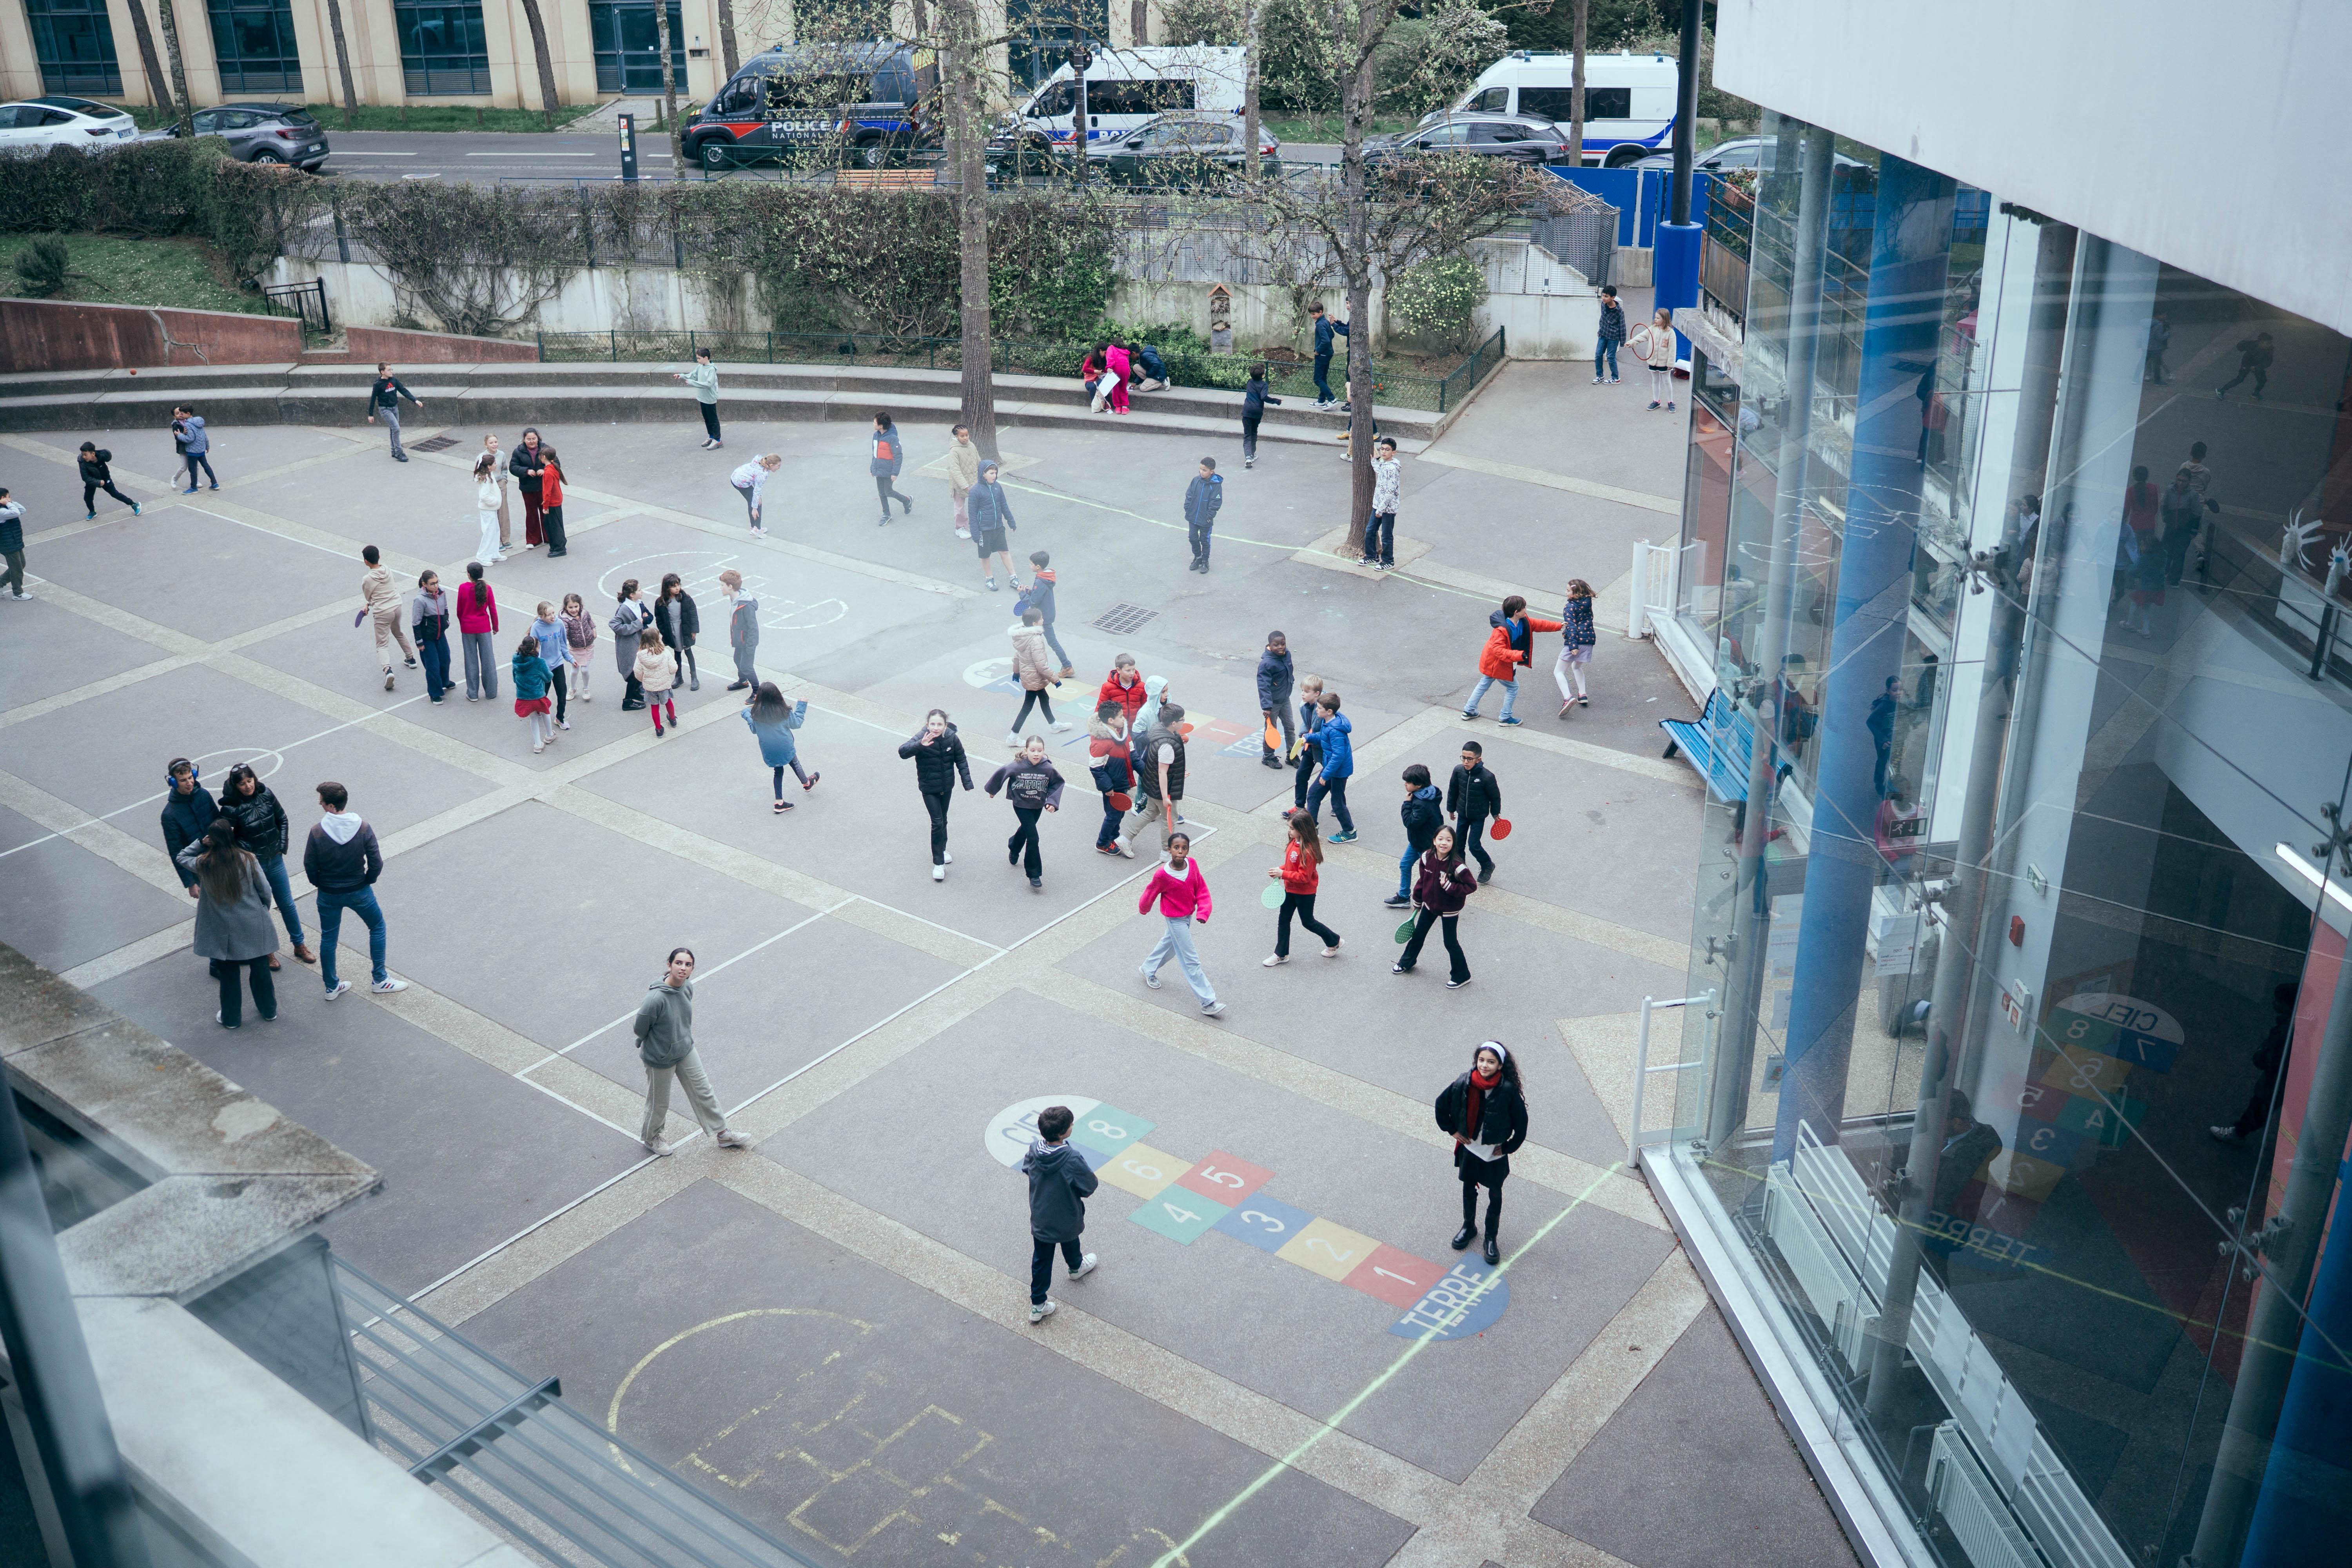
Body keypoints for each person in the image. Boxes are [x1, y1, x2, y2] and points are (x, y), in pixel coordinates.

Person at [633, 947, 753, 1157]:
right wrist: (658, 1045)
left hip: (685, 1050)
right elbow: (640, 1028)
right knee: (659, 1102)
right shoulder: (655, 999)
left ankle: (723, 1134)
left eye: (688, 965)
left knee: (704, 1091)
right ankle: (652, 1137)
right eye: (679, 963)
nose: (683, 968)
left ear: (692, 969)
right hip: (660, 1058)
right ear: (669, 965)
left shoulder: (687, 987)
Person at [303, 780, 404, 999]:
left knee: (329, 938)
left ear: (331, 806)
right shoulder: (363, 827)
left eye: (322, 800)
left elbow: (310, 866)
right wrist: (368, 880)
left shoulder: (317, 832)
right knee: (377, 926)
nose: (319, 803)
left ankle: (331, 986)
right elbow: (376, 861)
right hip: (359, 890)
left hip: (329, 894)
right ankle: (380, 979)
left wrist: (320, 883)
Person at [1434, 1042, 1527, 1264]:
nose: (1485, 1065)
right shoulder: (1464, 1082)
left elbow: (1522, 1126)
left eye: (1491, 1062)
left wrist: (1507, 1148)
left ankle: (1490, 1238)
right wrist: (1453, 1131)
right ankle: (1469, 1227)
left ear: (1500, 1066)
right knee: (1468, 1188)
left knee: (1495, 1194)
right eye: (1482, 1060)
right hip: (1470, 1150)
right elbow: (1441, 1105)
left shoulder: (1507, 1091)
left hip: (1494, 1155)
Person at [178, 820, 278, 1027]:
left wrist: (200, 843)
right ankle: (269, 1011)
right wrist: (262, 909)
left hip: (223, 929)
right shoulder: (248, 859)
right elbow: (265, 890)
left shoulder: (205, 863)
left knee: (229, 974)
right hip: (251, 922)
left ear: (212, 840)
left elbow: (181, 857)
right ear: (231, 835)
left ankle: (231, 1019)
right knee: (260, 968)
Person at [220, 761, 312, 967]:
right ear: (235, 786)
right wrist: (246, 852)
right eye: (242, 784)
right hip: (253, 866)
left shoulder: (266, 794)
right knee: (262, 910)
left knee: (287, 904)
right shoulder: (230, 808)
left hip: (275, 859)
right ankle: (268, 952)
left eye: (250, 780)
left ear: (255, 779)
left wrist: (281, 845)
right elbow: (226, 839)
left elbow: (283, 819)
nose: (248, 786)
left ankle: (299, 945)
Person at [1021, 1103, 1100, 1324]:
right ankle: (1076, 1267)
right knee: (1070, 1239)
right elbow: (1090, 1185)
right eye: (1071, 1124)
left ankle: (1038, 1305)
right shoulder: (1072, 1159)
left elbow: (1027, 1168)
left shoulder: (1034, 1150)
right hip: (1066, 1215)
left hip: (1041, 1216)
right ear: (1064, 1132)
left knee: (1042, 1259)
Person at [1138, 831, 1222, 1016]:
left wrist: (1203, 911)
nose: (1181, 851)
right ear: (1169, 850)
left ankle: (1148, 968)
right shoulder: (1162, 875)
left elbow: (1201, 888)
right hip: (1175, 919)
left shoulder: (1192, 865)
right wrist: (1144, 908)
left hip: (1187, 917)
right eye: (1176, 848)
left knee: (1169, 946)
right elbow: (1150, 893)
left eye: (1184, 848)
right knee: (1190, 960)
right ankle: (1208, 1002)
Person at [2212, 984, 2299, 1146]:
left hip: (2276, 1081)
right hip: (2283, 1079)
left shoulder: (2286, 1032)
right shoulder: (2293, 1025)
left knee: (2261, 1107)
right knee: (2292, 1112)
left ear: (2289, 1005)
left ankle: (2239, 1133)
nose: (2275, 1003)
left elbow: (2273, 1059)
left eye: (2279, 1001)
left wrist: (2261, 1057)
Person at [899, 708, 975, 880]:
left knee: (944, 819)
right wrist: (920, 745)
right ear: (927, 725)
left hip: (946, 786)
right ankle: (938, 863)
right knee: (937, 822)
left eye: (939, 724)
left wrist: (967, 782)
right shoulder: (922, 737)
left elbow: (961, 759)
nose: (936, 728)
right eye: (932, 724)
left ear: (945, 725)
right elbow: (903, 752)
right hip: (928, 788)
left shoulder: (951, 738)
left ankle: (942, 848)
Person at [1396, 824, 1476, 985]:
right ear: (1434, 841)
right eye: (1440, 839)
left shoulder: (1458, 866)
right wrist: (1418, 900)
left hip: (1450, 909)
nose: (1444, 843)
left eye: (1448, 840)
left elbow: (1471, 886)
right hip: (1430, 905)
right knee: (1418, 934)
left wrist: (1450, 887)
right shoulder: (1426, 857)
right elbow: (1422, 881)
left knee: (1450, 942)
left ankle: (1462, 975)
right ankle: (1408, 961)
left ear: (1454, 843)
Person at [1463, 595, 1561, 725]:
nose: (1526, 610)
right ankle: (1505, 717)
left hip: (1493, 662)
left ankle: (1469, 710)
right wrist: (1519, 655)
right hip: (1498, 664)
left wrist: (1559, 626)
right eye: (1524, 608)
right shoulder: (1501, 630)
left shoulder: (1522, 621)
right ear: (1516, 612)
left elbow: (1539, 624)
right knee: (1514, 687)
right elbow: (1499, 652)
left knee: (1484, 683)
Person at [987, 733, 1065, 891]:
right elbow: (1002, 772)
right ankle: (1034, 874)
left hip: (1037, 806)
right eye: (1033, 750)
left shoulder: (1048, 768)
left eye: (1040, 751)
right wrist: (993, 789)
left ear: (1044, 751)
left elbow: (1057, 784)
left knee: (1026, 830)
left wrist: (1052, 802)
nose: (1036, 754)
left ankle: (1014, 846)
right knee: (1034, 837)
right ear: (1026, 751)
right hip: (1021, 805)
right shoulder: (1018, 766)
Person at [1265, 809, 1342, 965]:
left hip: (1305, 893)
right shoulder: (1294, 842)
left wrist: (1283, 873)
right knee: (1284, 920)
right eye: (1289, 827)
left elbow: (1304, 877)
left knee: (1308, 922)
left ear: (1303, 829)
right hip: (1290, 889)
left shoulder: (1308, 851)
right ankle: (1281, 954)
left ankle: (1334, 941)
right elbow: (1291, 866)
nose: (1289, 831)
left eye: (1292, 828)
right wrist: (1280, 870)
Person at [1123, 699, 1190, 860]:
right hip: (1162, 789)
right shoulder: (1167, 745)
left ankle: (1125, 839)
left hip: (1152, 784)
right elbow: (1162, 772)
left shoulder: (1160, 731)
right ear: (1174, 723)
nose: (1184, 722)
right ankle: (1166, 852)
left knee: (1149, 813)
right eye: (1182, 720)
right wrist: (1166, 797)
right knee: (1170, 820)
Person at [742, 681, 815, 813]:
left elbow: (754, 729)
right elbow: (797, 724)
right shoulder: (784, 712)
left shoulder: (756, 714)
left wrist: (747, 714)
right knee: (795, 763)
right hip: (785, 746)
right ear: (777, 696)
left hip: (769, 750)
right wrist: (802, 705)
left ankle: (779, 802)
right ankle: (807, 783)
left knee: (778, 772)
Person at [160, 759, 220, 902]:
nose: (189, 783)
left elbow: (218, 821)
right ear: (173, 783)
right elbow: (176, 851)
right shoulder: (169, 815)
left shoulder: (204, 795)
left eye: (191, 778)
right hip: (200, 870)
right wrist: (190, 883)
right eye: (183, 780)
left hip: (221, 859)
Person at [358, 545, 415, 692]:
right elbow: (382, 592)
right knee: (398, 632)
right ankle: (411, 659)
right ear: (379, 557)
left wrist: (367, 605)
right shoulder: (388, 570)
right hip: (397, 607)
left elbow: (369, 596)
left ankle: (388, 671)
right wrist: (368, 604)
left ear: (366, 561)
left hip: (383, 612)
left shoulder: (367, 579)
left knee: (382, 644)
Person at [1387, 763, 1445, 909]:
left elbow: (1410, 822)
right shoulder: (1427, 794)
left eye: (1408, 782)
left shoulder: (1421, 804)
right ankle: (1404, 896)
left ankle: (1435, 899)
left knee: (1429, 874)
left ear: (1418, 785)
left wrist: (1407, 804)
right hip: (1417, 842)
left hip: (1426, 845)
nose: (1405, 785)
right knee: (1405, 865)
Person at [1005, 608, 1066, 746]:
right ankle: (1013, 737)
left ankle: (1055, 725)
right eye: (1041, 619)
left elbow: (1017, 657)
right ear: (1034, 623)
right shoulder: (1035, 640)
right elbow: (1041, 666)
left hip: (1029, 676)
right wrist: (1055, 679)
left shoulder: (1022, 637)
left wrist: (1016, 672)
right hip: (1034, 677)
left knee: (1044, 698)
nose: (1043, 620)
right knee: (1028, 706)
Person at [1304, 690, 1357, 841]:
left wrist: (1326, 774)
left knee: (1337, 803)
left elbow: (1339, 756)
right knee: (1313, 795)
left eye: (1319, 708)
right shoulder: (1328, 722)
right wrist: (1309, 738)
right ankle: (1311, 829)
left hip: (1337, 772)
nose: (1316, 710)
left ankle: (1350, 832)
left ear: (1329, 711)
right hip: (1330, 769)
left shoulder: (1336, 731)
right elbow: (1323, 737)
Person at [1446, 741, 1501, 884]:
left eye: (1469, 759)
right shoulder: (1458, 771)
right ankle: (1460, 871)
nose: (1466, 762)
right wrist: (1451, 808)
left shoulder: (1487, 777)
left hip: (1478, 816)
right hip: (1463, 815)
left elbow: (1495, 797)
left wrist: (1496, 814)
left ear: (1479, 760)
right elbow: (1453, 791)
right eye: (1463, 758)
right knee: (1458, 845)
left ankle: (1487, 865)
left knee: (1474, 845)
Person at [1087, 699, 1134, 857]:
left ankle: (1114, 836)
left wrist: (1147, 772)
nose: (1124, 719)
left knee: (1119, 813)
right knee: (1113, 815)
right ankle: (1102, 843)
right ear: (1111, 721)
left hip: (1122, 782)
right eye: (1121, 716)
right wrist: (1107, 787)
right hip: (1111, 787)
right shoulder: (1101, 743)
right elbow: (1096, 768)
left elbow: (1133, 756)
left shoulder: (1124, 735)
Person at [969, 459, 1018, 591]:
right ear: (983, 474)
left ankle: (1014, 578)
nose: (994, 475)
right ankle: (989, 579)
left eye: (995, 473)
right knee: (985, 556)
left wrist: (1011, 521)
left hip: (998, 528)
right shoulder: (975, 492)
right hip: (984, 531)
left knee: (1005, 552)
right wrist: (975, 533)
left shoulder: (998, 487)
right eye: (991, 473)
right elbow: (972, 514)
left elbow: (1004, 506)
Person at [1022, 550, 1073, 676]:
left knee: (1043, 642)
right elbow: (1038, 595)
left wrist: (1022, 594)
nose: (1030, 566)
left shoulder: (1040, 582)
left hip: (1041, 618)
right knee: (1040, 641)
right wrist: (1030, 592)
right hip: (1047, 615)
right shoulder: (1046, 578)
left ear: (1038, 567)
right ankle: (1062, 666)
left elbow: (1033, 602)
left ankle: (1067, 666)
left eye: (1031, 564)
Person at [410, 568, 455, 704]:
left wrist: (446, 621)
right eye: (432, 584)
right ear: (424, 584)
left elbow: (445, 609)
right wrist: (419, 642)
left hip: (440, 635)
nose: (436, 586)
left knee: (446, 659)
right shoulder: (420, 600)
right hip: (427, 639)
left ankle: (444, 681)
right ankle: (435, 693)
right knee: (433, 666)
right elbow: (416, 623)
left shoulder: (442, 593)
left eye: (437, 582)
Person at [457, 561, 499, 702]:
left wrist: (463, 623)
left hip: (468, 628)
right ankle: (491, 692)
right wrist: (495, 626)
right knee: (488, 660)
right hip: (484, 628)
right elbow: (492, 609)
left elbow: (460, 610)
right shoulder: (487, 588)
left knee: (471, 660)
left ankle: (473, 693)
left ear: (469, 575)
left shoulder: (463, 588)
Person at [364, 363, 424, 460]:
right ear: (382, 372)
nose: (391, 372)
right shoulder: (378, 384)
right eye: (389, 370)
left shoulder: (394, 380)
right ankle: (399, 452)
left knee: (393, 429)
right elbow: (373, 399)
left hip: (395, 408)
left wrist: (415, 400)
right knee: (396, 429)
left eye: (392, 369)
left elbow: (404, 391)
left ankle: (394, 450)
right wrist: (370, 414)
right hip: (385, 409)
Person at [653, 572, 701, 694]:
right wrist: (664, 631)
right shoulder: (661, 602)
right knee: (677, 653)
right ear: (667, 588)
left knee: (689, 651)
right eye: (674, 586)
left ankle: (694, 677)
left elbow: (693, 613)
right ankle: (679, 677)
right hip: (672, 630)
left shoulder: (686, 598)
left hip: (684, 629)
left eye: (678, 585)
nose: (677, 588)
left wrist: (694, 630)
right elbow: (659, 618)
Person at [1554, 578, 1596, 714]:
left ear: (1576, 594)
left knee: (1558, 671)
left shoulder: (1569, 607)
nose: (1565, 593)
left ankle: (1568, 698)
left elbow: (1571, 626)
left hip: (1575, 643)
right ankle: (1582, 694)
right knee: (1576, 666)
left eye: (1568, 591)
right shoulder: (1587, 603)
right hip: (1588, 641)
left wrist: (1572, 645)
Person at [530, 599, 572, 730]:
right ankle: (538, 710)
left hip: (558, 663)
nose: (553, 616)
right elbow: (535, 649)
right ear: (542, 617)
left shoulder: (559, 623)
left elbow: (563, 643)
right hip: (544, 667)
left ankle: (560, 718)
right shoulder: (536, 628)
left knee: (562, 692)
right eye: (549, 615)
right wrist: (537, 666)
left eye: (553, 613)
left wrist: (570, 658)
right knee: (543, 693)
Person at [1256, 630, 1295, 769]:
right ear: (1270, 646)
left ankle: (1292, 755)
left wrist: (1291, 683)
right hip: (1272, 705)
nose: (1280, 647)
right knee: (1271, 731)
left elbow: (1289, 672)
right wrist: (1267, 706)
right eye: (1276, 645)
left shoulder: (1287, 655)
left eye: (1283, 644)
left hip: (1285, 699)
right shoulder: (1266, 664)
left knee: (1290, 727)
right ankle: (1268, 757)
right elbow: (1263, 686)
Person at [2160, 468, 2205, 586]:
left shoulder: (2193, 495)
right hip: (2170, 527)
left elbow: (2197, 514)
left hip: (2184, 530)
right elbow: (2164, 504)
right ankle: (2162, 574)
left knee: (2179, 555)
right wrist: (2165, 518)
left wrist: (2193, 531)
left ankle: (2174, 580)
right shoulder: (2170, 490)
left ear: (2189, 481)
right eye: (2179, 480)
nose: (2180, 483)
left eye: (2184, 481)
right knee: (2166, 552)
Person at [610, 579, 650, 711]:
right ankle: (627, 702)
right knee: (634, 672)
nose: (642, 591)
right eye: (639, 590)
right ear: (632, 594)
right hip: (629, 646)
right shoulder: (624, 608)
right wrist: (637, 624)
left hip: (638, 643)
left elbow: (647, 617)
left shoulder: (637, 604)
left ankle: (635, 693)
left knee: (640, 669)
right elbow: (614, 625)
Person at [513, 632, 556, 753]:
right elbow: (548, 678)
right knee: (545, 713)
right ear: (535, 649)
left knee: (533, 719)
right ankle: (549, 735)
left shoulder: (516, 661)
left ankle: (538, 744)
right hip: (538, 696)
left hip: (523, 696)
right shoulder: (539, 662)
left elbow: (514, 678)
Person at [1362, 437, 1401, 570]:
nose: (1384, 452)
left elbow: (1391, 491)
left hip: (1388, 509)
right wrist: (1374, 462)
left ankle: (1388, 561)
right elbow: (1381, 474)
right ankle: (1372, 557)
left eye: (1387, 450)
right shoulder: (1385, 465)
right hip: (1378, 505)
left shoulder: (1393, 469)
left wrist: (1381, 510)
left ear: (1394, 452)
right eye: (1382, 449)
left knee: (1386, 536)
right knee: (1370, 530)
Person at [636, 626, 681, 737]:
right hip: (664, 685)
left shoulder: (641, 656)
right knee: (668, 702)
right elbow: (674, 668)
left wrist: (644, 680)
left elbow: (637, 672)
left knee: (654, 707)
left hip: (651, 688)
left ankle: (659, 729)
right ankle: (672, 719)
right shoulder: (665, 653)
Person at [719, 568, 760, 691]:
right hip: (740, 640)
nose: (721, 588)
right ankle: (743, 682)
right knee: (737, 660)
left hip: (748, 643)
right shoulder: (734, 600)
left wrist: (751, 647)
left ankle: (757, 690)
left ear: (730, 587)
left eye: (722, 586)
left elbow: (754, 628)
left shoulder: (746, 606)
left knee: (747, 667)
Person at [675, 347, 722, 448]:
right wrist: (682, 376)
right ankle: (711, 436)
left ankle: (718, 440)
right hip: (702, 398)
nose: (698, 360)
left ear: (706, 358)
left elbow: (709, 384)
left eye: (699, 358)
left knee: (713, 419)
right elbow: (693, 375)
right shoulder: (700, 367)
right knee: (707, 419)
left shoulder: (711, 370)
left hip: (710, 399)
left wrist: (693, 383)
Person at [76, 443, 138, 519]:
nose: (84, 457)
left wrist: (106, 454)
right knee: (87, 498)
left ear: (93, 454)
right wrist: (98, 483)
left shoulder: (101, 456)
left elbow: (108, 457)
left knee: (115, 494)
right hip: (92, 481)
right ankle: (92, 512)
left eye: (86, 455)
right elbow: (85, 478)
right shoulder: (82, 462)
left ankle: (134, 504)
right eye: (83, 455)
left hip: (105, 478)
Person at [1292, 673, 1326, 808]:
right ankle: (1299, 806)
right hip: (1310, 746)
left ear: (1317, 694)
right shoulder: (1304, 705)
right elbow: (1307, 723)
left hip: (1325, 749)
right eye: (1302, 691)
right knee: (1301, 775)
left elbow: (1326, 733)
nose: (1302, 694)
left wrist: (1309, 737)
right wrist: (1304, 734)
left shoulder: (1324, 708)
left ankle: (1339, 805)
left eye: (1307, 692)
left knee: (1334, 779)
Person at [1184, 457, 1223, 573]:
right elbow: (1189, 494)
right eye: (1201, 469)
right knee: (1192, 538)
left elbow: (1216, 502)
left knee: (1204, 540)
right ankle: (1198, 557)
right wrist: (1188, 508)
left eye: (1205, 470)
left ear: (1212, 472)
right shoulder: (1196, 481)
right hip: (1193, 517)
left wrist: (1209, 516)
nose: (1201, 472)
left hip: (1205, 520)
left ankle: (1205, 561)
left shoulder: (1215, 486)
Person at [871, 412, 912, 524]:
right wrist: (873, 468)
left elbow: (898, 456)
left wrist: (895, 473)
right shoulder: (876, 436)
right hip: (879, 470)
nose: (873, 424)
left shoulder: (893, 439)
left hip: (889, 471)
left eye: (875, 422)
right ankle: (886, 514)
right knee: (881, 493)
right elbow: (875, 453)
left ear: (881, 426)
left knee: (888, 492)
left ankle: (907, 500)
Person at [512, 428, 548, 548]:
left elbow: (555, 463)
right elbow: (513, 467)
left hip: (544, 486)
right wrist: (526, 471)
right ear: (524, 440)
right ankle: (533, 540)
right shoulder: (518, 452)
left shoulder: (545, 449)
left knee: (546, 512)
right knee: (531, 513)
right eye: (529, 439)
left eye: (534, 439)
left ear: (538, 438)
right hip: (528, 487)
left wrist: (545, 470)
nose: (532, 441)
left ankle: (549, 537)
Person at [1241, 363, 1281, 468]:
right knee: (1254, 433)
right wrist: (1277, 401)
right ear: (1263, 375)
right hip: (1257, 412)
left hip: (1247, 411)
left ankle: (1248, 457)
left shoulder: (1249, 382)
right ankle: (1253, 454)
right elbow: (1264, 397)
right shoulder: (1264, 385)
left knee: (1247, 435)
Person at [945, 424, 982, 541]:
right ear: (956, 436)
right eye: (962, 436)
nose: (966, 438)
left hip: (974, 480)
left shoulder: (972, 446)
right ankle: (960, 528)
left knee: (978, 504)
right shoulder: (954, 451)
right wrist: (965, 486)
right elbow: (955, 471)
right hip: (960, 484)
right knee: (960, 507)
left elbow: (978, 461)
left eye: (967, 435)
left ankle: (976, 524)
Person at [730, 453, 780, 536]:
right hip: (741, 483)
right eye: (778, 466)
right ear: (771, 465)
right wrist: (755, 508)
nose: (779, 468)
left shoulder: (760, 461)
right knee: (757, 503)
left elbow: (754, 479)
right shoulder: (762, 474)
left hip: (736, 476)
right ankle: (757, 529)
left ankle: (754, 527)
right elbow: (757, 490)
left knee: (755, 500)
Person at [1309, 301, 1348, 408]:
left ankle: (1332, 399)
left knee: (1317, 379)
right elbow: (1332, 335)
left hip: (1322, 355)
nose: (1312, 316)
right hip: (1328, 354)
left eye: (1314, 314)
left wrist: (1318, 350)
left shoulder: (1320, 325)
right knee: (1323, 378)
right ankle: (1322, 400)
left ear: (1320, 312)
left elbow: (1326, 340)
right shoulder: (1325, 322)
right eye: (1311, 314)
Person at [2216, 332, 2274, 401]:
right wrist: (2246, 366)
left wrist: (2257, 367)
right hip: (2247, 364)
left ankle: (2255, 393)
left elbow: (2268, 362)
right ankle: (2222, 390)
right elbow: (2242, 347)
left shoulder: (2270, 349)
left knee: (2263, 380)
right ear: (2261, 342)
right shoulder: (2253, 345)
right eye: (2268, 343)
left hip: (2258, 365)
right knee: (2240, 379)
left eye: (2270, 343)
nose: (2270, 345)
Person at [560, 592, 596, 702]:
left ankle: (586, 688)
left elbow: (591, 622)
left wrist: (594, 630)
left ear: (580, 606)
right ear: (566, 607)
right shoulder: (565, 619)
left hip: (588, 647)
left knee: (585, 670)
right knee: (575, 670)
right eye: (571, 607)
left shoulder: (585, 613)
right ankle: (572, 688)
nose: (574, 609)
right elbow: (565, 631)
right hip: (575, 649)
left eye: (576, 606)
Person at [1867, 676, 1900, 797]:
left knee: (1896, 761)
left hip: (1896, 739)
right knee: (1883, 761)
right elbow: (1870, 722)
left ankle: (1892, 783)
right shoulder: (1883, 706)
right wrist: (1883, 740)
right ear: (1888, 691)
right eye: (1895, 690)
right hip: (1884, 742)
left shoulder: (1901, 703)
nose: (1899, 693)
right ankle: (1879, 783)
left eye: (1900, 690)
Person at [172, 405, 218, 492]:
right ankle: (215, 483)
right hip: (201, 450)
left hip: (192, 452)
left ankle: (193, 488)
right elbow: (204, 435)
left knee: (192, 470)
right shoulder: (199, 422)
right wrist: (207, 446)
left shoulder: (188, 424)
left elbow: (190, 439)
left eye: (182, 414)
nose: (181, 416)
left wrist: (180, 435)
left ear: (188, 414)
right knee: (206, 466)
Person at [1098, 652, 1147, 732]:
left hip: (1136, 729)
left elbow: (1145, 708)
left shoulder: (1142, 687)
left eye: (1134, 670)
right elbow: (1101, 709)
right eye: (1128, 671)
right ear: (1119, 670)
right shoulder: (1108, 687)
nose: (1132, 673)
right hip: (1117, 730)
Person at [536, 444, 570, 557]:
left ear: (544, 457)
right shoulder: (553, 468)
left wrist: (545, 506)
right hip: (557, 501)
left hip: (552, 503)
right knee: (557, 525)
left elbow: (547, 491)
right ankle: (559, 546)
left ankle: (559, 547)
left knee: (553, 526)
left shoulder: (548, 472)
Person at [471, 451, 504, 564]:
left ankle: (494, 553)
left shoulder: (488, 475)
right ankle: (482, 557)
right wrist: (495, 501)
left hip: (491, 509)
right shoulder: (486, 478)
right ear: (489, 466)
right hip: (488, 509)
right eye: (494, 463)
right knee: (489, 532)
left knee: (495, 530)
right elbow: (484, 496)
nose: (496, 465)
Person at [483, 433, 513, 554]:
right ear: (486, 445)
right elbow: (478, 472)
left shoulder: (502, 454)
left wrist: (504, 479)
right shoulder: (483, 457)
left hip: (500, 483)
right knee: (493, 513)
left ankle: (505, 539)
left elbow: (505, 468)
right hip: (489, 483)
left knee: (504, 512)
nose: (494, 445)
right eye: (491, 443)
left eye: (496, 442)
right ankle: (497, 541)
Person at [1642, 308, 1677, 410]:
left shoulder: (1671, 333)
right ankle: (1656, 401)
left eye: (1658, 318)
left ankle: (1671, 402)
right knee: (1655, 381)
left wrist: (1671, 363)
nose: (1655, 320)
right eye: (1655, 318)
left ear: (1664, 320)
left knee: (1667, 381)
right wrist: (1631, 343)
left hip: (1664, 363)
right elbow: (1642, 336)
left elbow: (1672, 350)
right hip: (1653, 361)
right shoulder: (1652, 329)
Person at [1594, 285, 1626, 385]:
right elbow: (1602, 319)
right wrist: (1600, 331)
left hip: (1613, 337)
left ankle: (1616, 378)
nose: (1604, 298)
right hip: (1603, 335)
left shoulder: (1619, 311)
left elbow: (1622, 326)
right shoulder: (1603, 305)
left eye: (1606, 296)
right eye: (1603, 296)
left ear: (1613, 298)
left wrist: (1622, 342)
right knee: (1598, 355)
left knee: (1611, 357)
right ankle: (1600, 376)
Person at [0, 488, 27, 601]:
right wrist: (9, 504)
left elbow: (23, 510)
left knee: (21, 565)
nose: (10, 499)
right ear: (3, 498)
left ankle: (1, 583)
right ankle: (18, 593)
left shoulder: (8, 507)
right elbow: (16, 512)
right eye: (8, 497)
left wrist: (11, 502)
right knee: (17, 569)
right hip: (8, 544)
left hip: (15, 542)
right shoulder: (1, 511)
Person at [2144, 312, 2171, 385]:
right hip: (2157, 347)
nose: (2165, 316)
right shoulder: (2159, 325)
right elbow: (2160, 337)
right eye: (2163, 315)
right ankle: (2165, 376)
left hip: (2151, 346)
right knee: (2158, 362)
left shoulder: (2149, 324)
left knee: (2151, 361)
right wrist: (2168, 334)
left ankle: (2146, 376)